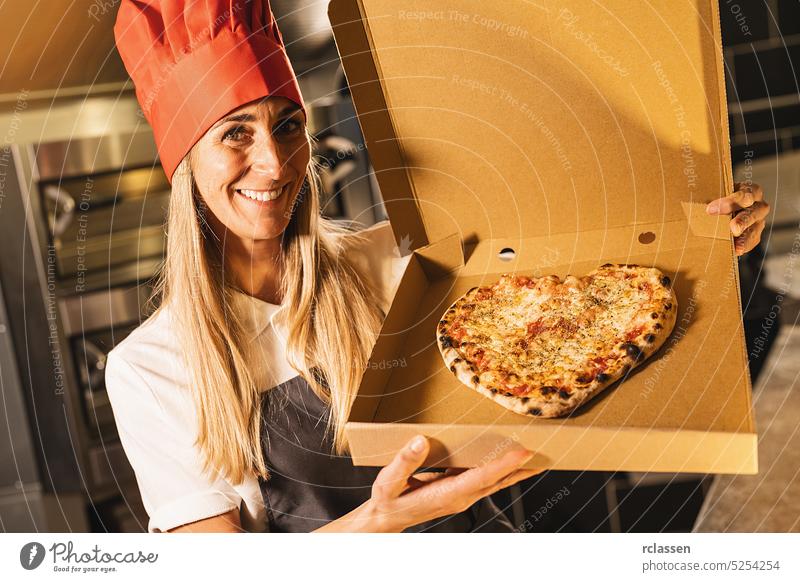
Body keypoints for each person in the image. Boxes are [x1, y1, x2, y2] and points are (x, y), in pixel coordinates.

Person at [107, 0, 769, 534]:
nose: (276, 165)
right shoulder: (151, 368)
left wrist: (699, 230)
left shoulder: (388, 260)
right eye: (235, 134)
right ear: (185, 161)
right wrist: (381, 521)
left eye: (287, 126)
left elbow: (575, 247)